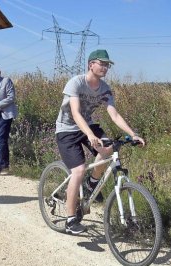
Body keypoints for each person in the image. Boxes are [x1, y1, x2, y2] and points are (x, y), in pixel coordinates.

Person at [55, 49, 145, 234]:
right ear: (91, 65)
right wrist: (89, 134)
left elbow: (114, 114)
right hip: (67, 129)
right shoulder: (77, 82)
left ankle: (92, 184)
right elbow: (75, 112)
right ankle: (71, 220)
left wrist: (133, 133)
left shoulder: (105, 88)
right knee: (78, 170)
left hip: (87, 126)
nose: (105, 67)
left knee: (109, 149)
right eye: (102, 63)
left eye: (107, 64)